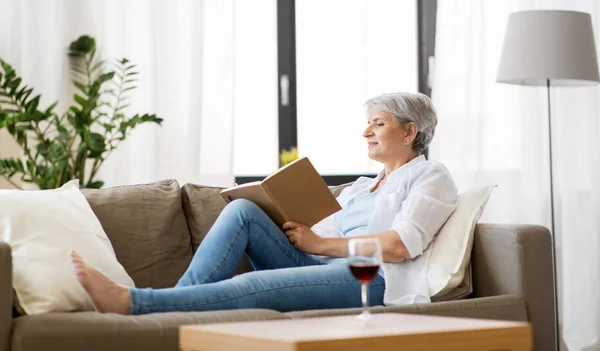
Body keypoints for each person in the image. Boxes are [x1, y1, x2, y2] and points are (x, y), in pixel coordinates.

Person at [70, 92, 458, 315]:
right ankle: (173, 310)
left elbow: (398, 245)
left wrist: (320, 244)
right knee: (244, 211)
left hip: (372, 279)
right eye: (368, 123)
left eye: (378, 123)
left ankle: (138, 303)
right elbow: (315, 235)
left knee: (256, 283)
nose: (366, 131)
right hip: (324, 266)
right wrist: (281, 214)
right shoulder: (360, 187)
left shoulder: (431, 176)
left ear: (410, 132)